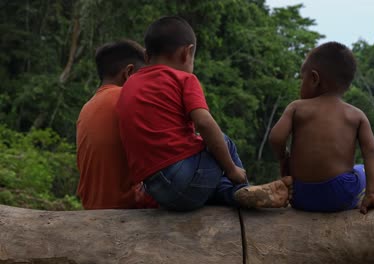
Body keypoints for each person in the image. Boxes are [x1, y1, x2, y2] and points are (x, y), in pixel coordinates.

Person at [117, 16, 291, 211]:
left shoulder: (129, 84)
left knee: (213, 180)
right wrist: (232, 170)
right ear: (187, 52)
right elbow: (204, 123)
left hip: (156, 190)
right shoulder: (183, 79)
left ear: (147, 56)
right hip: (184, 178)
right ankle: (244, 186)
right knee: (223, 142)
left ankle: (237, 196)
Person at [269, 42, 374, 214]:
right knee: (364, 171)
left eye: (302, 78)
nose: (301, 84)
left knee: (360, 171)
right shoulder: (356, 115)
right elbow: (371, 154)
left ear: (314, 79)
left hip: (300, 194)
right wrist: (371, 191)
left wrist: (284, 158)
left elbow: (276, 138)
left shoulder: (296, 107)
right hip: (339, 195)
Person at [76, 40, 158, 209]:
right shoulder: (127, 98)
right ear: (129, 72)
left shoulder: (88, 107)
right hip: (128, 206)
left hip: (92, 206)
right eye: (144, 77)